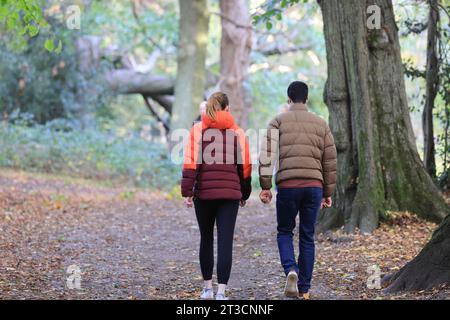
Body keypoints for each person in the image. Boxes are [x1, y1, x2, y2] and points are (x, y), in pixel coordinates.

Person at [258, 81, 337, 300]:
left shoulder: (277, 121)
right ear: (307, 99)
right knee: (307, 236)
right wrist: (328, 192)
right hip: (314, 187)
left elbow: (267, 155)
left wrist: (265, 187)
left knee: (284, 231)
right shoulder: (321, 124)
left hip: (288, 185)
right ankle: (304, 290)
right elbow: (330, 160)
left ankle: (291, 269)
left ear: (288, 99)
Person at [181, 92, 252, 300]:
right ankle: (221, 292)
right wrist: (244, 193)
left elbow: (190, 162)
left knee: (206, 238)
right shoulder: (237, 132)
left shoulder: (197, 130)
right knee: (225, 241)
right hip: (230, 195)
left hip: (204, 194)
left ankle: (207, 289)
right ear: (227, 108)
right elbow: (245, 167)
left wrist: (188, 191)